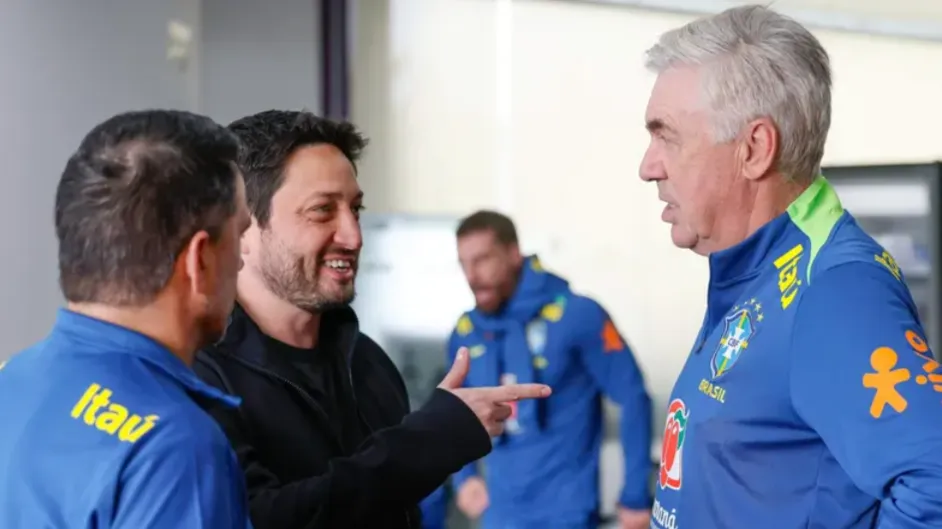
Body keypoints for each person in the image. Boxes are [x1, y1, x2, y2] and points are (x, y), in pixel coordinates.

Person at [640, 5, 942, 529]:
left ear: (753, 149)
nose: (648, 167)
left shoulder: (836, 290)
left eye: (667, 136)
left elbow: (934, 483)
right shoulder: (754, 270)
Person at [192, 110, 552, 529]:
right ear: (244, 228)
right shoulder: (198, 376)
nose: (353, 235)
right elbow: (256, 520)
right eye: (322, 210)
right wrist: (428, 441)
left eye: (355, 210)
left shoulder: (368, 365)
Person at [0, 110, 253, 528]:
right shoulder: (173, 448)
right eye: (240, 235)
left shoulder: (13, 380)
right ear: (199, 259)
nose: (242, 260)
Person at [424, 210, 653, 529]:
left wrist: (635, 495)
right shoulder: (466, 332)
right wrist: (465, 478)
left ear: (514, 253)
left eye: (483, 259)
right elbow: (453, 410)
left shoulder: (578, 315)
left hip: (567, 515)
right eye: (464, 263)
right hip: (499, 516)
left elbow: (633, 397)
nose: (472, 275)